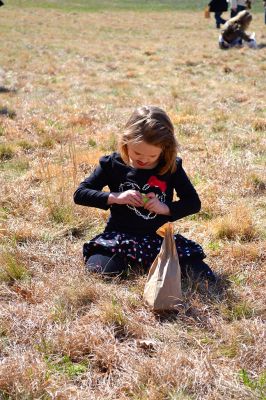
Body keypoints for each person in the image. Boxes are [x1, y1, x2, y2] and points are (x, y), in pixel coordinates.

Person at [73, 105, 216, 282]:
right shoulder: (112, 164)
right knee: (98, 271)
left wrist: (165, 208)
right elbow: (80, 194)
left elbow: (193, 203)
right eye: (137, 152)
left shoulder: (171, 167)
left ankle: (154, 263)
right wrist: (116, 197)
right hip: (120, 237)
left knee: (203, 277)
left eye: (152, 156)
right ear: (126, 141)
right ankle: (134, 261)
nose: (143, 159)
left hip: (159, 238)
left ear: (165, 149)